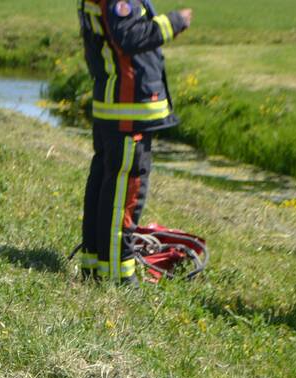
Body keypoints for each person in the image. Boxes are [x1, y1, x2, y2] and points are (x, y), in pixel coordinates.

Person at [77, 0, 191, 284]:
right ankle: (118, 276)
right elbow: (129, 37)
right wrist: (174, 23)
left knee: (104, 186)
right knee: (123, 196)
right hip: (127, 111)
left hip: (114, 108)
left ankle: (95, 265)